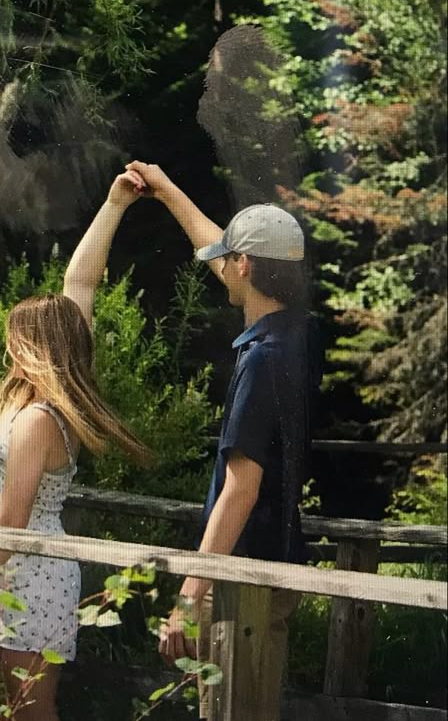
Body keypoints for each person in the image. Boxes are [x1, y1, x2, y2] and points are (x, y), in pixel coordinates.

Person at [0, 170, 152, 721]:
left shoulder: (43, 418)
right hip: (1, 567)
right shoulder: (40, 402)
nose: (7, 351)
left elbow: (13, 518)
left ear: (36, 348)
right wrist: (113, 206)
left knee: (29, 715)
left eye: (15, 342)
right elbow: (80, 283)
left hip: (29, 571)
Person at [126, 160, 321, 721]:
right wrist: (169, 192)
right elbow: (227, 253)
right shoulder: (300, 335)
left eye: (231, 260)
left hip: (239, 582)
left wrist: (188, 598)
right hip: (278, 566)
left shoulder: (263, 362)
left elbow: (240, 488)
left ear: (244, 266)